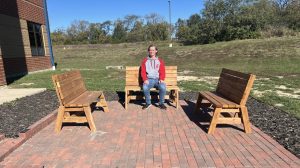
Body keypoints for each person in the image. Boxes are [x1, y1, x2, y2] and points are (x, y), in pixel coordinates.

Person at [141, 44, 167, 110]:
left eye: (153, 50)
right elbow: (143, 72)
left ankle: (161, 103)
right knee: (145, 87)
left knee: (163, 87)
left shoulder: (160, 61)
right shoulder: (145, 61)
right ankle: (148, 103)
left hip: (157, 79)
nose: (151, 51)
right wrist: (145, 79)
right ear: (148, 51)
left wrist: (161, 79)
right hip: (149, 79)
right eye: (150, 50)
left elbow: (162, 71)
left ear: (156, 51)